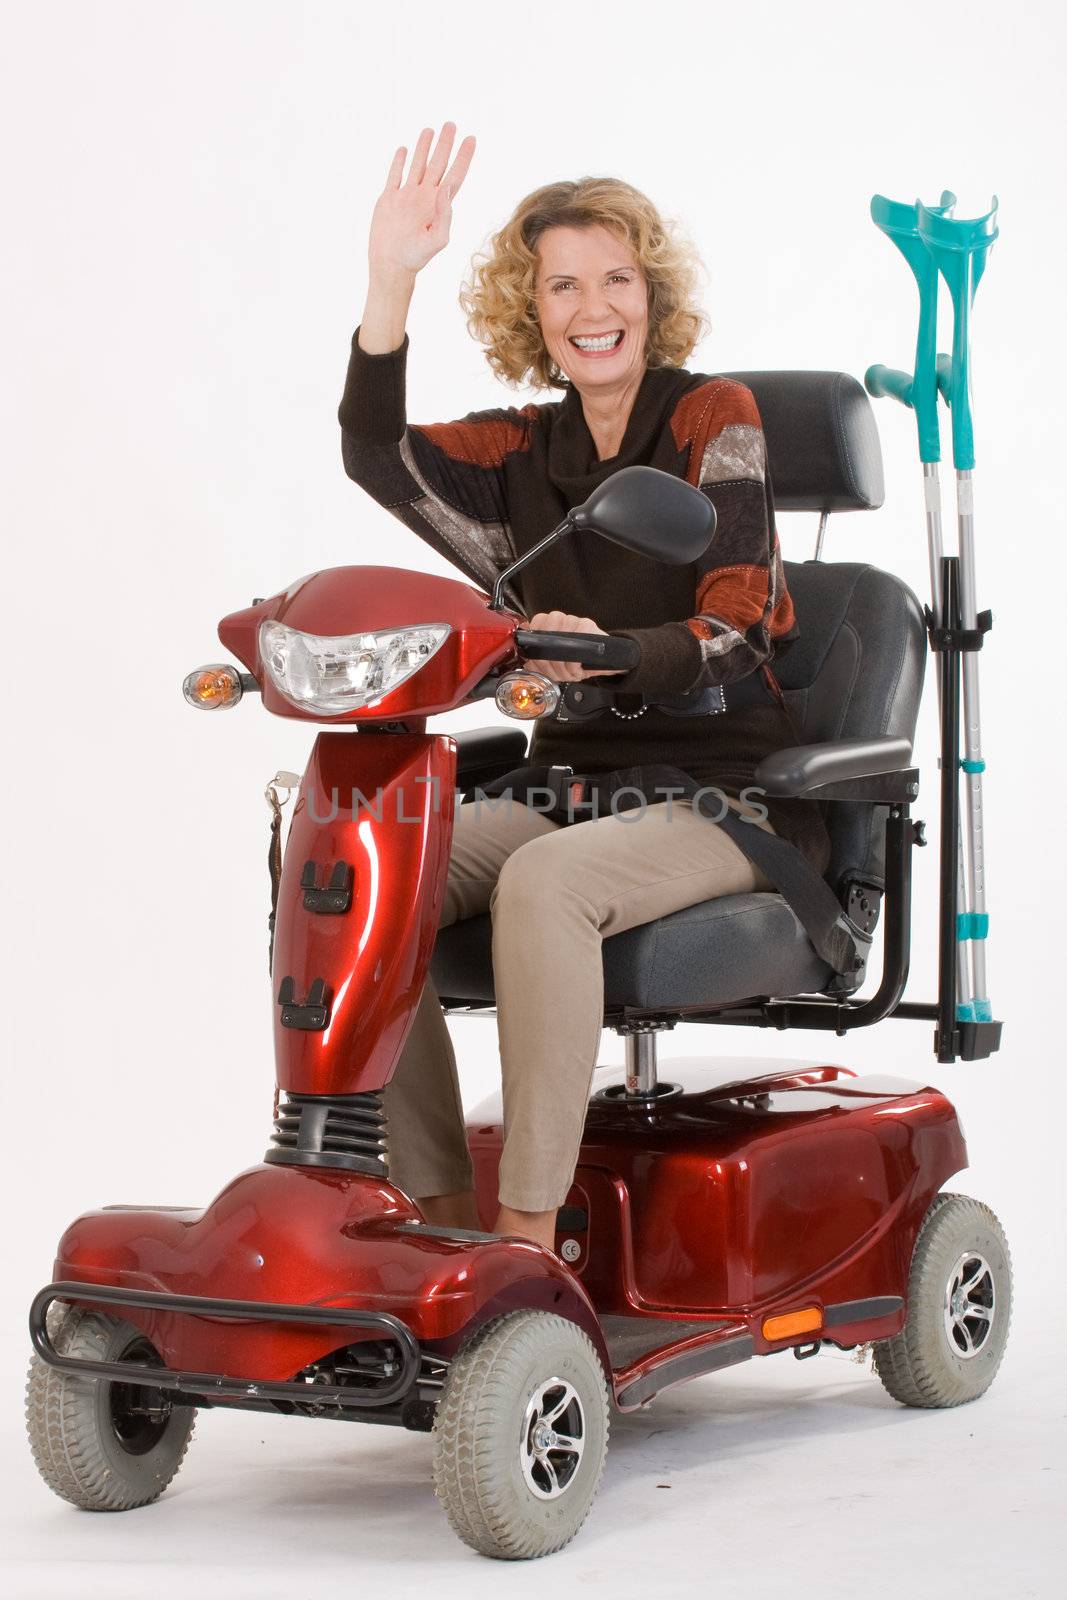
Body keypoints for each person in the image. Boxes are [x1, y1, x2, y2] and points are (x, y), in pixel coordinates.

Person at [339, 123, 830, 1251]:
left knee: (547, 883)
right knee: (373, 862)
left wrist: (606, 648)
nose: (590, 305)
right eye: (562, 283)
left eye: (614, 277)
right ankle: (436, 1222)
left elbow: (737, 625)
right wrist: (389, 279)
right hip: (568, 782)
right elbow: (377, 459)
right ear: (534, 307)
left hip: (723, 796)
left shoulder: (712, 419)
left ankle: (522, 1235)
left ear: (649, 296)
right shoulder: (519, 452)